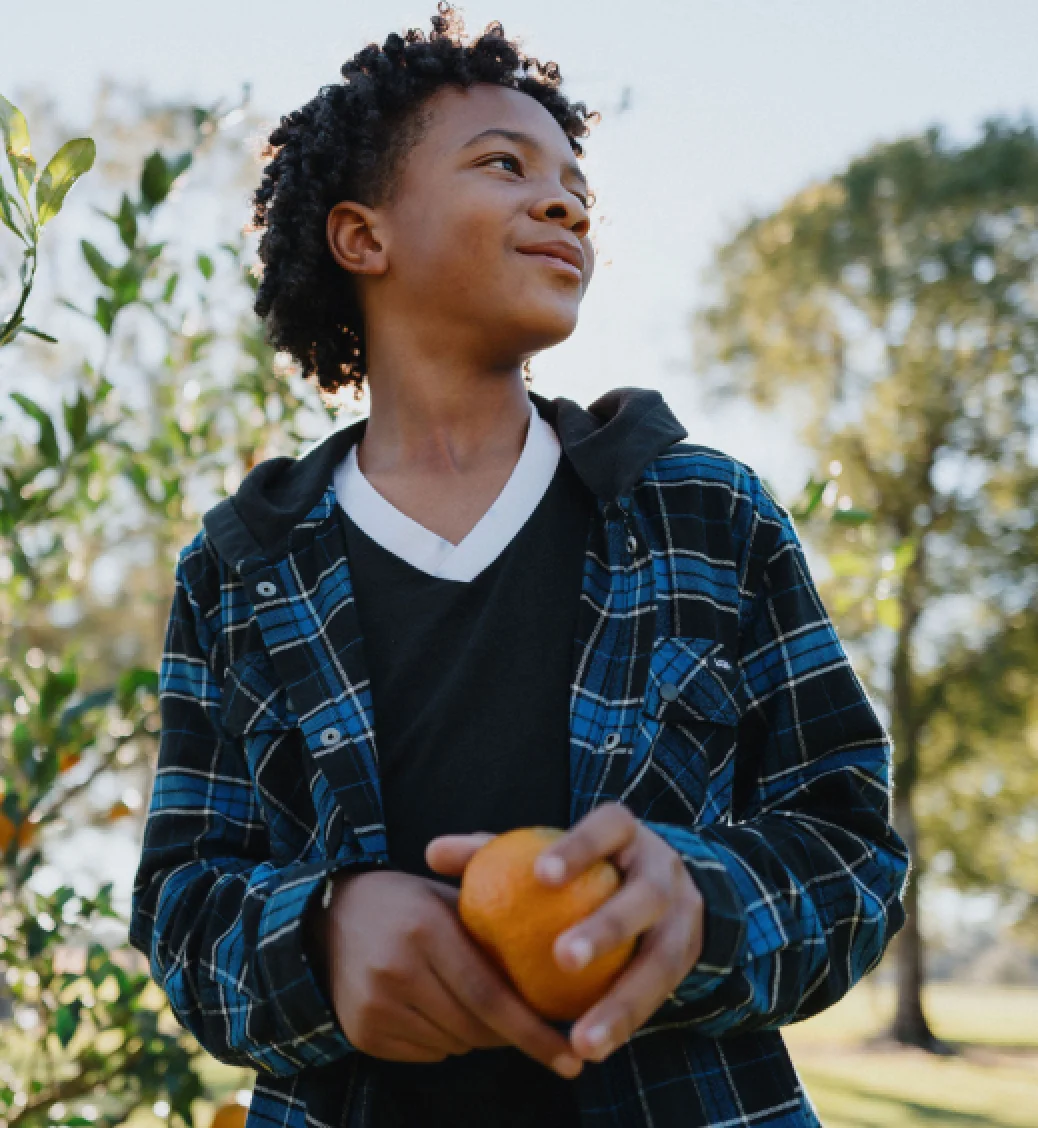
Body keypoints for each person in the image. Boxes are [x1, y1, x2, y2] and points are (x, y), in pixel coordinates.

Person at [128, 7, 909, 1127]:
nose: (566, 201)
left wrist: (699, 904)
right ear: (362, 237)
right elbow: (182, 904)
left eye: (575, 181)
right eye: (505, 164)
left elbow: (852, 848)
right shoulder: (240, 570)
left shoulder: (709, 514)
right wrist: (321, 935)